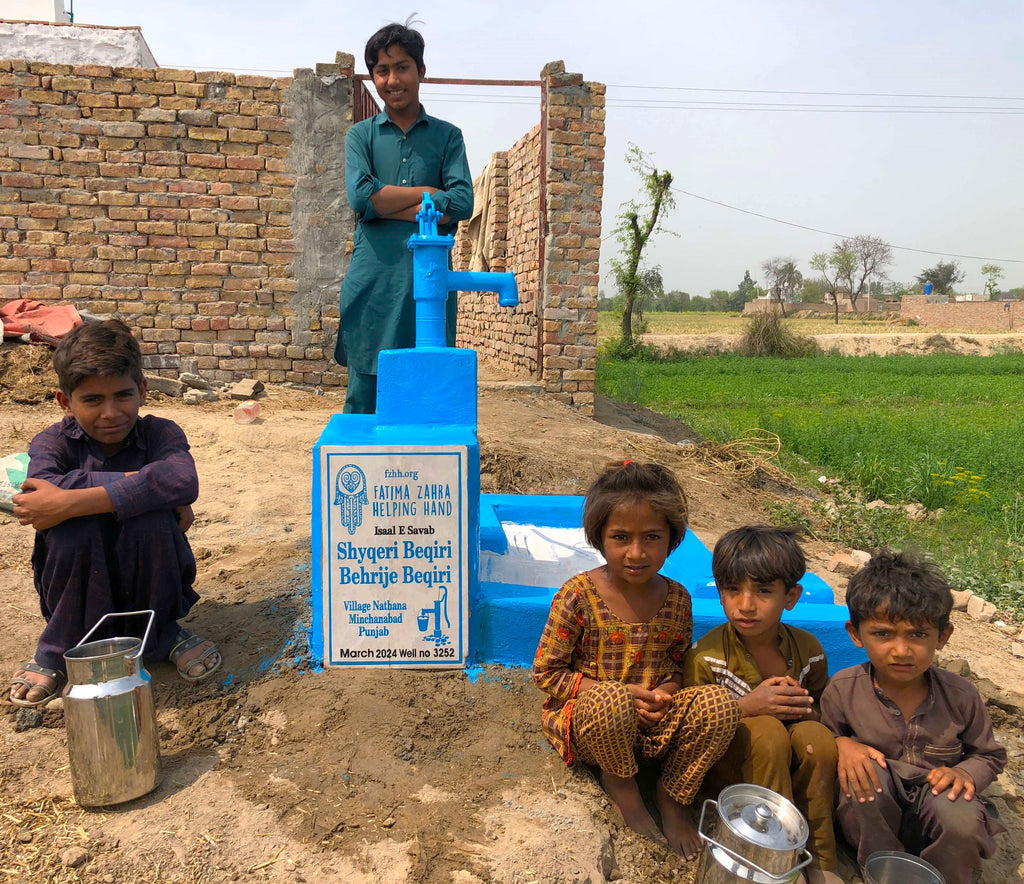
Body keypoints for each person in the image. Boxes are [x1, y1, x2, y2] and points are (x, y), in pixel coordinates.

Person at [533, 462, 740, 859]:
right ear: (599, 537)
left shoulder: (678, 598)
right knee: (610, 701)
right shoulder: (577, 596)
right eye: (621, 537)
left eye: (651, 537)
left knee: (721, 704)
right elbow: (547, 672)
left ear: (672, 539)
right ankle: (623, 787)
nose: (637, 552)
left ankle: (672, 795)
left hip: (652, 723)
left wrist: (664, 693)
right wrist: (622, 695)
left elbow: (676, 663)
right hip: (595, 721)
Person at [9, 320, 220, 708]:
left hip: (148, 578)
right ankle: (59, 648)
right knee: (78, 530)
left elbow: (182, 479)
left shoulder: (160, 433)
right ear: (64, 402)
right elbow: (38, 491)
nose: (111, 413)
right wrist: (143, 485)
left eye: (123, 395)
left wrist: (69, 501)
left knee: (149, 522)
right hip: (77, 589)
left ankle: (160, 634)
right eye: (92, 400)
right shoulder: (52, 441)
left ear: (141, 391)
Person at [821, 549, 1007, 884]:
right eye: (883, 634)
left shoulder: (961, 695)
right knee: (862, 781)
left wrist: (965, 773)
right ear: (855, 634)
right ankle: (882, 868)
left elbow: (989, 755)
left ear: (943, 637)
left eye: (918, 634)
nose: (902, 650)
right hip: (874, 813)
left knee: (961, 817)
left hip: (937, 807)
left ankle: (939, 875)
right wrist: (843, 744)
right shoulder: (843, 689)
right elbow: (823, 738)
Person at [683, 526, 841, 884]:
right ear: (719, 593)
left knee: (817, 737)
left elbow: (821, 707)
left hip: (785, 770)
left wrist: (805, 711)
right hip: (728, 778)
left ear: (792, 596)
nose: (746, 604)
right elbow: (689, 726)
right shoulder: (707, 656)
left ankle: (821, 858)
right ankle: (774, 855)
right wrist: (749, 706)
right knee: (768, 732)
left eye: (764, 591)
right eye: (733, 589)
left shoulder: (808, 650)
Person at [336, 19, 474, 413]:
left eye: (402, 67)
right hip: (373, 284)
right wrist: (428, 196)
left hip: (427, 285)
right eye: (382, 70)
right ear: (373, 77)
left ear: (420, 72)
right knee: (365, 395)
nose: (392, 79)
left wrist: (387, 204)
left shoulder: (447, 136)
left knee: (425, 394)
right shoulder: (360, 136)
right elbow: (360, 197)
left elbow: (463, 202)